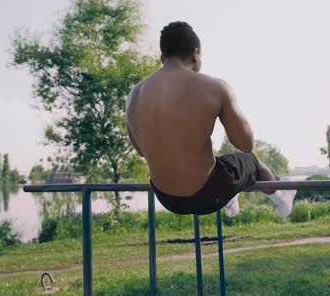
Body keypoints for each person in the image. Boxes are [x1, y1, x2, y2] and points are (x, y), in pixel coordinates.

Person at [126, 21, 296, 218]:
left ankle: (230, 196)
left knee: (218, 164)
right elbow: (245, 144)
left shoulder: (134, 94)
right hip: (208, 194)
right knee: (251, 161)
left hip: (166, 198)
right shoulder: (214, 87)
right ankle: (281, 200)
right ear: (195, 53)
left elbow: (140, 150)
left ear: (162, 58)